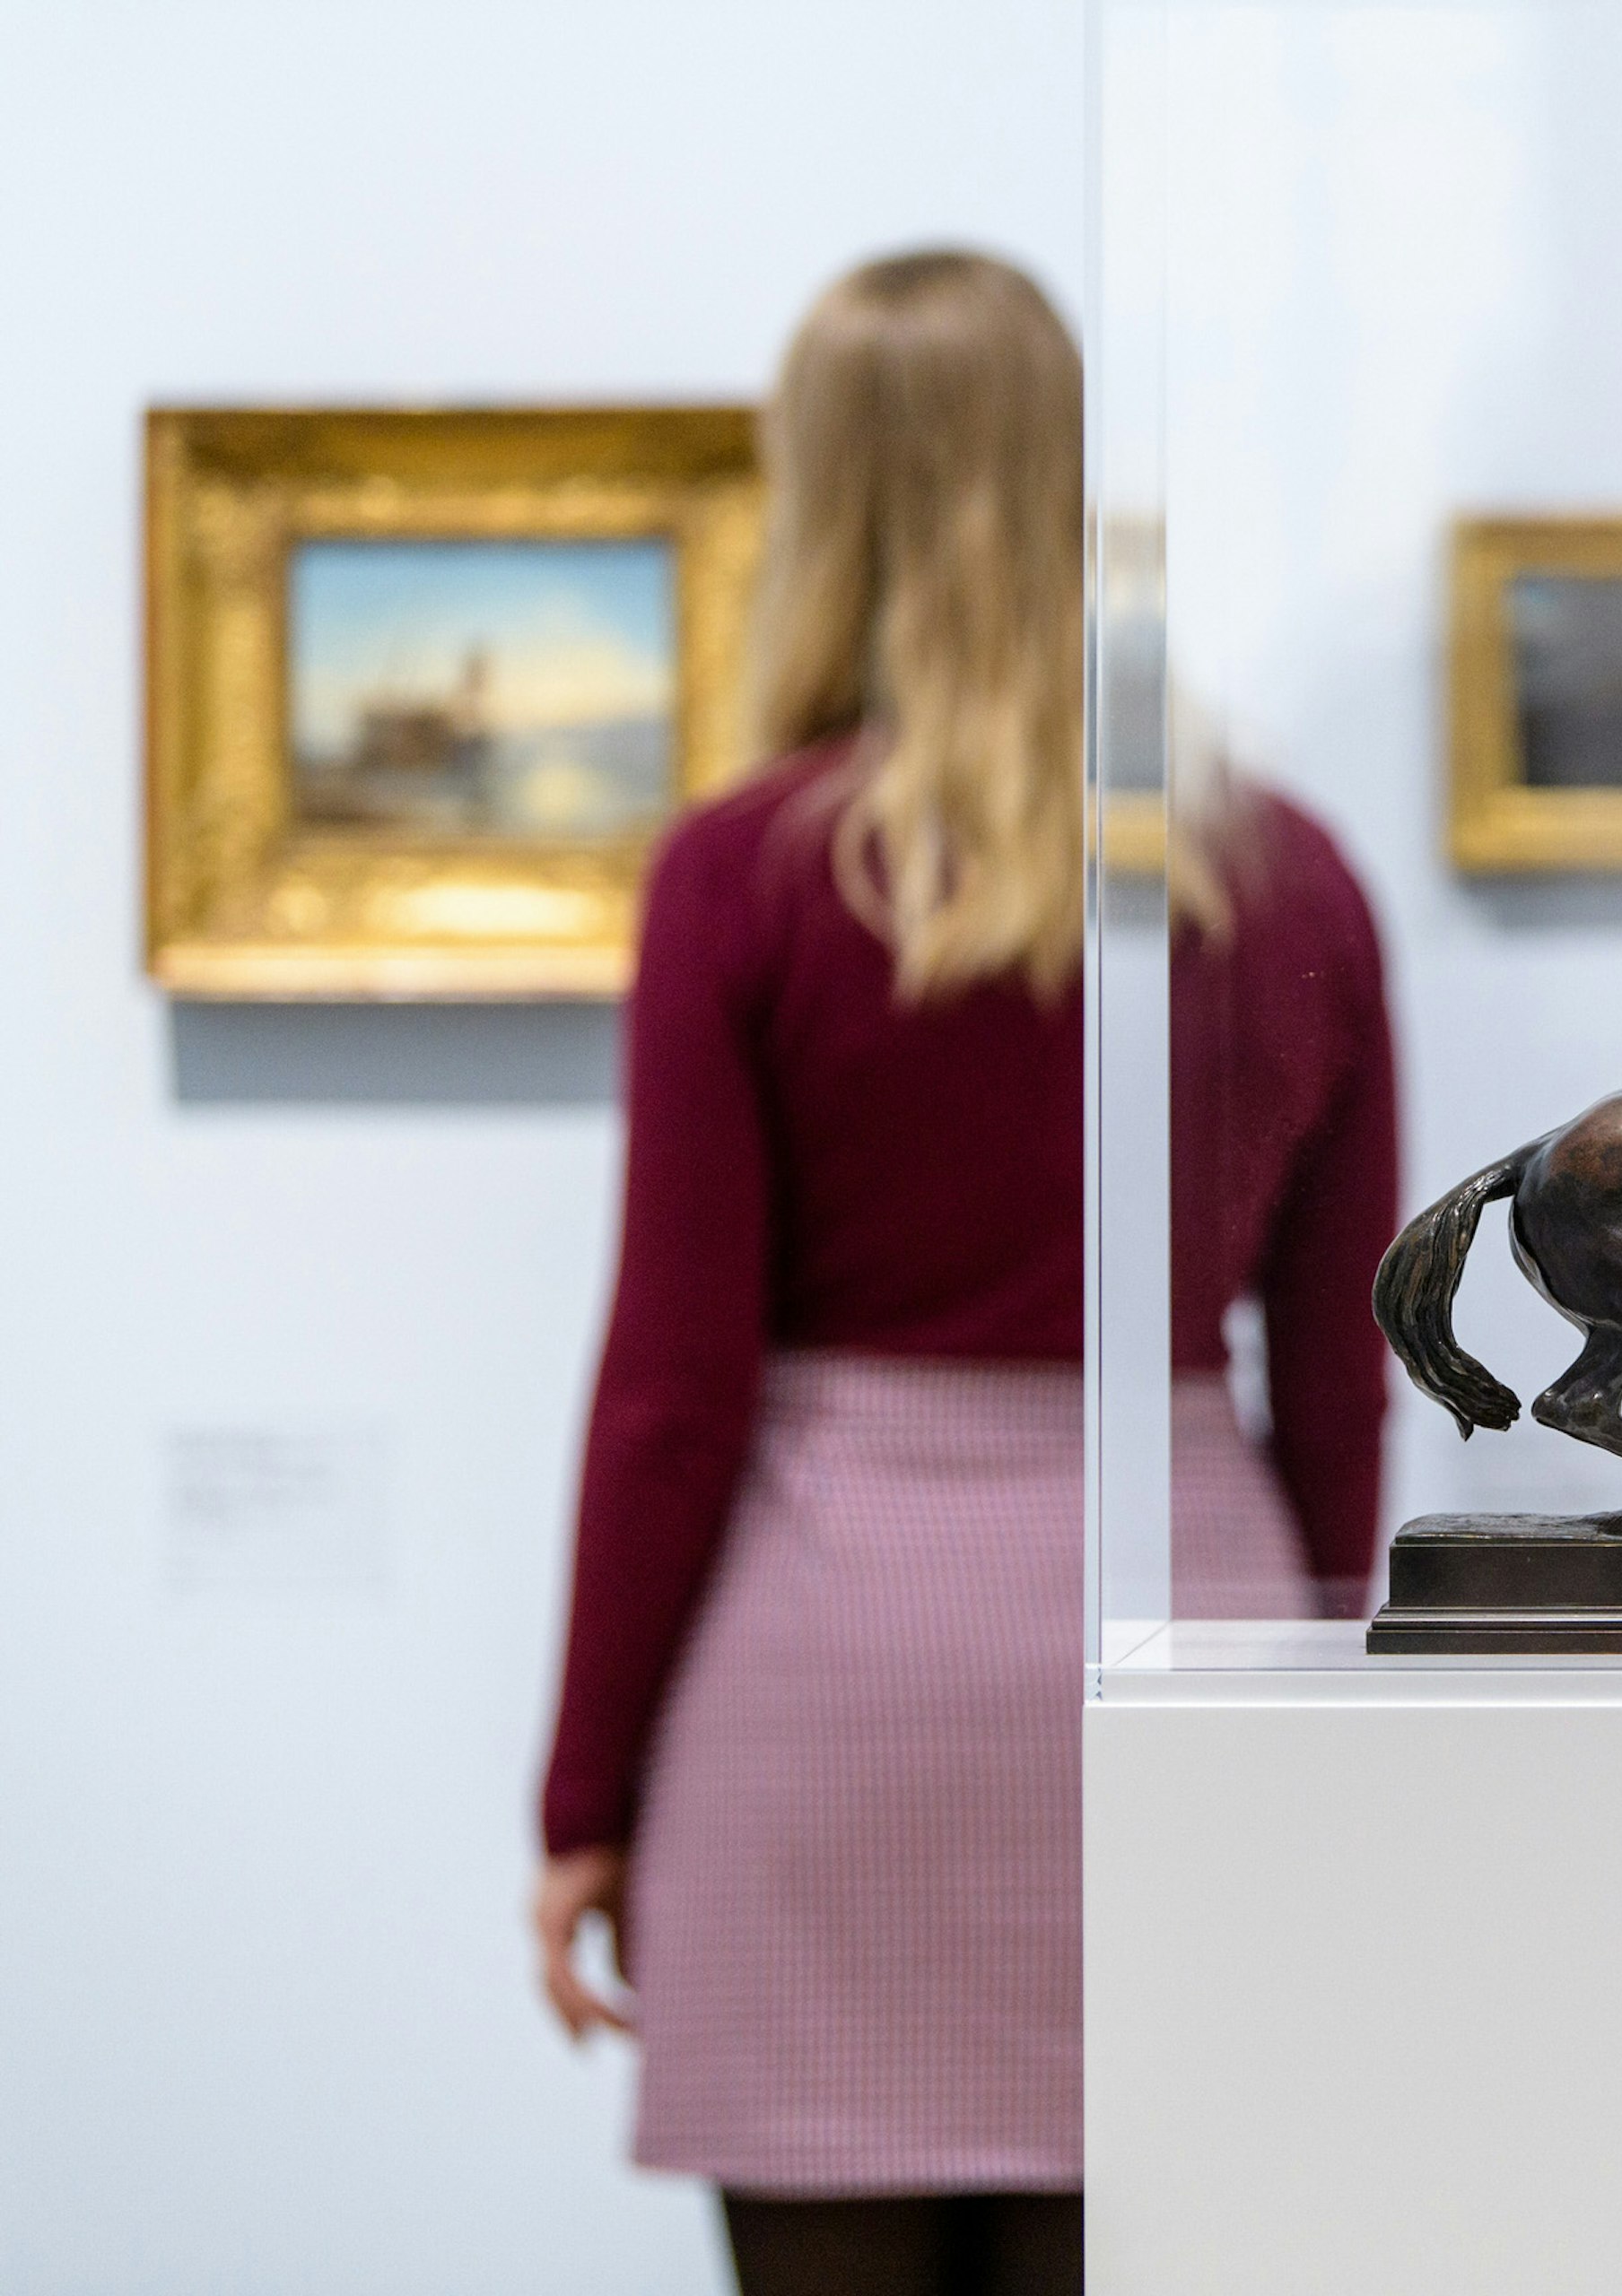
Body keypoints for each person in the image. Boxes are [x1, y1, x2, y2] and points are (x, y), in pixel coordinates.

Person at [531, 249, 1087, 2296]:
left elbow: (673, 1391)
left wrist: (583, 1792)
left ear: (821, 496)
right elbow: (1336, 1373)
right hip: (1154, 1652)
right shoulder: (1273, 874)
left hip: (830, 1681)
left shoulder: (741, 872)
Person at [1163, 735, 1400, 1620]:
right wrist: (1329, 1647)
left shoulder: (772, 861)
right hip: (1197, 1580)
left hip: (830, 1596)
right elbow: (1336, 1372)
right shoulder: (1286, 867)